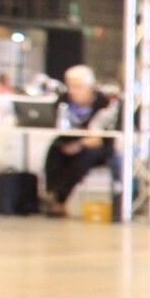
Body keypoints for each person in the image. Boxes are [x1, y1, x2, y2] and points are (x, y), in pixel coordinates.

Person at [40, 64, 119, 215]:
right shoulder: (63, 100)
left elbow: (99, 137)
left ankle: (60, 196)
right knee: (55, 150)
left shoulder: (104, 102)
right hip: (70, 141)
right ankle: (51, 192)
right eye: (70, 86)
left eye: (78, 87)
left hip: (97, 146)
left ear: (90, 86)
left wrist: (79, 144)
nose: (73, 91)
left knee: (83, 157)